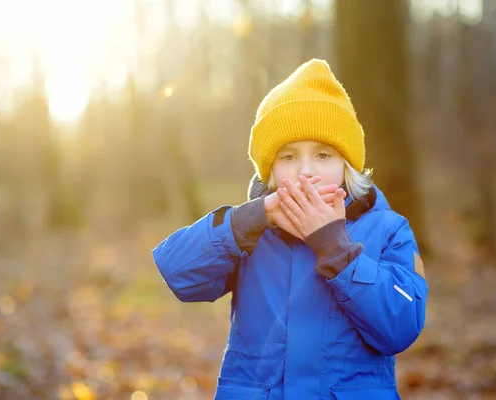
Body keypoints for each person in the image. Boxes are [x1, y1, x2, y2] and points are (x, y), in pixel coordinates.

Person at [152, 59, 428, 400]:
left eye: (324, 155)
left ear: (347, 165)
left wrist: (338, 250)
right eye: (288, 157)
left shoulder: (388, 228)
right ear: (270, 170)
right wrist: (246, 221)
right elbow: (177, 272)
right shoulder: (250, 233)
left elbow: (401, 327)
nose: (306, 172)